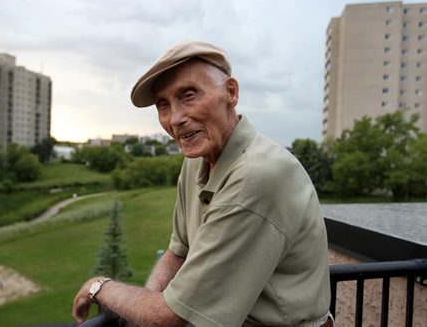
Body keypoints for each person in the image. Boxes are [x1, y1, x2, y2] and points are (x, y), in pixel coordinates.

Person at [72, 41, 333, 327]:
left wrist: (98, 286)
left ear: (230, 92)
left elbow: (167, 317)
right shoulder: (196, 159)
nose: (175, 118)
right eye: (163, 105)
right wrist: (144, 303)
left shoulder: (257, 175)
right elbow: (178, 252)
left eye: (189, 95)